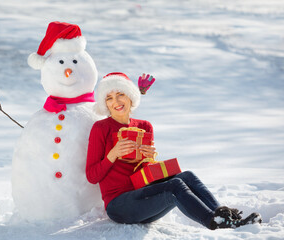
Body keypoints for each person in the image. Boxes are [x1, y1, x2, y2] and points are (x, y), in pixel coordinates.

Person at [86, 72, 262, 229]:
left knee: (187, 176)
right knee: (175, 185)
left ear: (130, 96)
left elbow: (145, 175)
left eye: (120, 94)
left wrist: (149, 158)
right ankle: (212, 221)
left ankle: (222, 214)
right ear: (105, 104)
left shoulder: (144, 126)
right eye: (109, 98)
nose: (116, 101)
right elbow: (92, 176)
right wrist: (113, 154)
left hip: (144, 198)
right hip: (120, 206)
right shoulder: (101, 128)